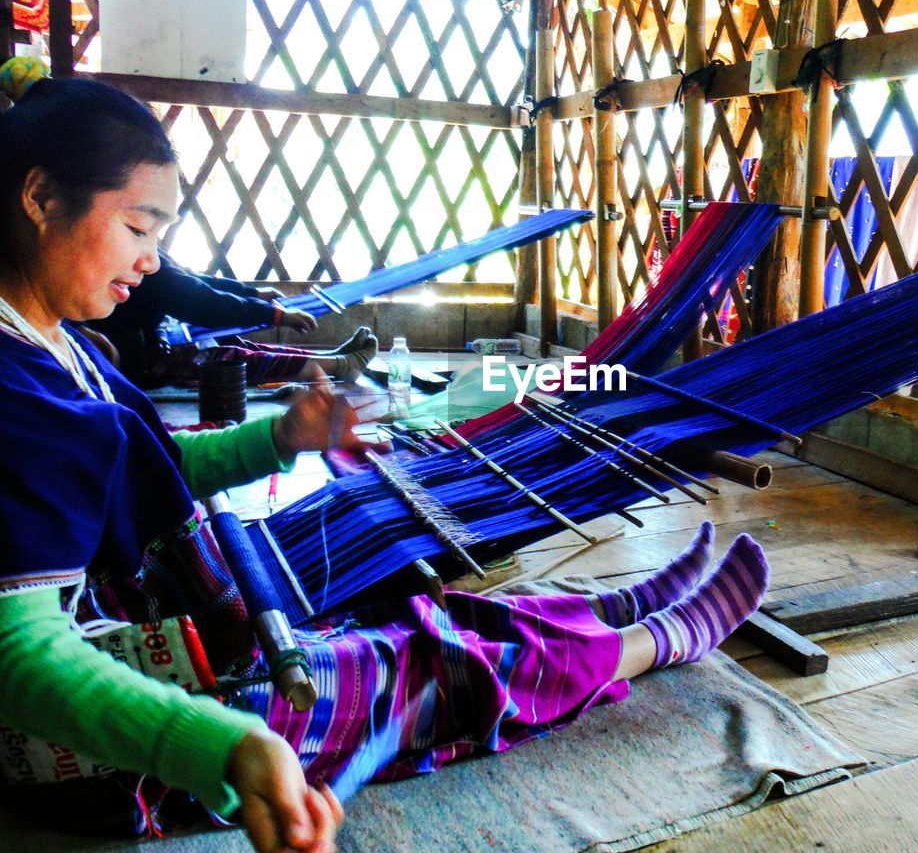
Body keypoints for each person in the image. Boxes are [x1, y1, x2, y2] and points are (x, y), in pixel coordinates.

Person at [0, 59, 772, 851]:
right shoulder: (16, 394)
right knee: (421, 670)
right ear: (40, 199)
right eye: (138, 227)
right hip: (92, 735)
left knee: (401, 606)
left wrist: (282, 438)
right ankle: (648, 644)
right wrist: (221, 746)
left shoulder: (56, 341)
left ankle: (605, 612)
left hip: (159, 619)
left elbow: (146, 474)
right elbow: (19, 659)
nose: (155, 260)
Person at [87, 248, 380, 387]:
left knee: (233, 341)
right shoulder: (126, 254)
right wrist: (274, 314)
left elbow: (190, 280)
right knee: (226, 360)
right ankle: (338, 366)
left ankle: (330, 360)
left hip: (157, 338)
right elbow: (200, 301)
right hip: (142, 361)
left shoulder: (141, 247)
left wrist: (250, 294)